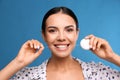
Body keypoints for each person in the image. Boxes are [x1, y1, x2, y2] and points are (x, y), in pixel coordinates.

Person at [0, 6, 120, 80]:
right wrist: (18, 62)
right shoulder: (29, 76)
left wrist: (112, 56)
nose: (61, 37)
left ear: (77, 34)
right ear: (44, 35)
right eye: (52, 30)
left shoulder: (98, 72)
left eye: (69, 30)